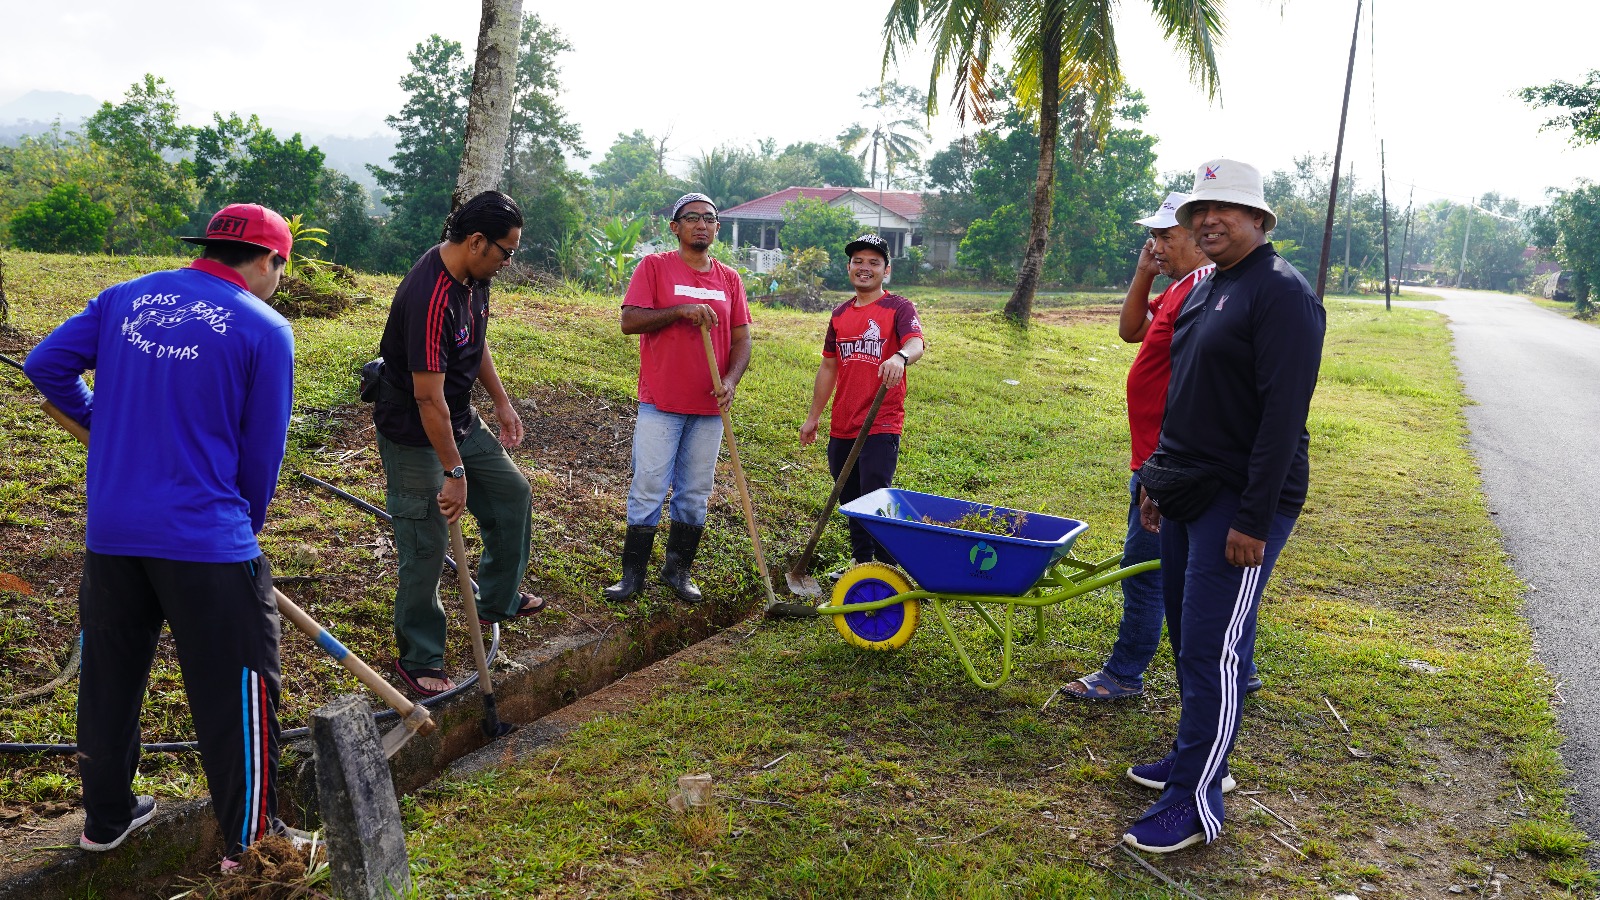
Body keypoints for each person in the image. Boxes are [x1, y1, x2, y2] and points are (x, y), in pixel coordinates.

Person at [24, 204, 297, 865]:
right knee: (238, 690)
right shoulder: (265, 328)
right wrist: (243, 532)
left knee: (110, 678)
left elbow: (45, 365)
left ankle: (107, 819)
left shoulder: (126, 297)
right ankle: (252, 848)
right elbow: (260, 458)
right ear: (270, 260)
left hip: (114, 533)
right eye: (281, 270)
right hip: (207, 538)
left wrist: (100, 423)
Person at [1121, 159, 1325, 853]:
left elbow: (1282, 418)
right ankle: (1195, 757)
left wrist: (1253, 519)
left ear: (1259, 219)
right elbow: (1182, 394)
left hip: (1241, 500)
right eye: (1199, 210)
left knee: (1215, 648)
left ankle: (1196, 798)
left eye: (1225, 209)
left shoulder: (1282, 293)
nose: (1208, 220)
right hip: (1188, 488)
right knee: (1188, 637)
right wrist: (1158, 479)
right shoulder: (1207, 286)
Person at [372, 190, 543, 698]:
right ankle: (420, 655)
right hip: (415, 429)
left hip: (458, 416)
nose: (509, 263)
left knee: (512, 494)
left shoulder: (475, 277)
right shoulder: (431, 296)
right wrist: (454, 472)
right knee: (427, 542)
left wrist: (502, 402)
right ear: (476, 241)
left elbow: (475, 340)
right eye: (506, 252)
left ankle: (498, 599)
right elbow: (427, 399)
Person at [1065, 193, 1233, 700]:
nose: (1156, 245)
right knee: (1196, 568)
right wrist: (1145, 272)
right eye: (1152, 236)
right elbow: (1130, 330)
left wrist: (1160, 470)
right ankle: (1238, 667)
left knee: (1144, 570)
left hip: (1167, 462)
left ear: (1198, 240)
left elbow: (1195, 386)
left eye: (1165, 236)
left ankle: (1124, 673)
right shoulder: (1182, 287)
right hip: (1158, 457)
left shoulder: (1201, 290)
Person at [604, 193, 753, 603]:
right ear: (675, 227)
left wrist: (731, 380)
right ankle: (632, 577)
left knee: (694, 492)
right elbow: (630, 321)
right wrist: (680, 310)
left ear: (717, 227)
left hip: (709, 407)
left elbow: (742, 339)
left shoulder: (730, 279)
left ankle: (677, 570)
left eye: (709, 218)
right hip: (661, 403)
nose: (701, 224)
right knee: (649, 486)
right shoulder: (654, 267)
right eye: (691, 218)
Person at [799, 234, 924, 565]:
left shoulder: (898, 307)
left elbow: (916, 343)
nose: (864, 268)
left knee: (876, 497)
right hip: (843, 422)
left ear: (886, 270)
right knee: (850, 497)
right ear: (849, 267)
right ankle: (861, 563)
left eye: (873, 262)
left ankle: (886, 568)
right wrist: (813, 418)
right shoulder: (839, 314)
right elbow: (829, 366)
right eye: (858, 261)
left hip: (880, 421)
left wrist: (900, 357)